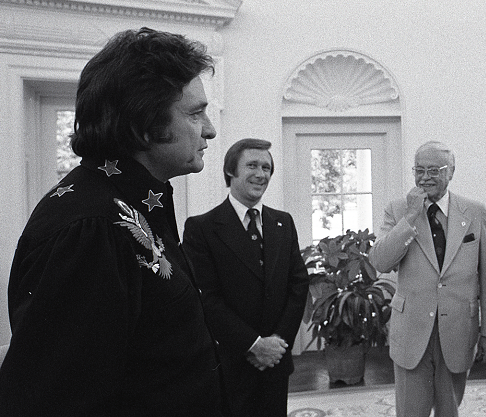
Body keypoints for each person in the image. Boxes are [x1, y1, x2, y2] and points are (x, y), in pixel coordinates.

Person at [0, 28, 225, 415]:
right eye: (194, 112)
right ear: (144, 126)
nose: (210, 129)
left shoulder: (134, 202)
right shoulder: (91, 229)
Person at [182, 138, 309, 417]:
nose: (261, 174)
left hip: (276, 359)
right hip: (231, 362)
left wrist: (276, 343)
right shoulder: (201, 228)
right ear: (231, 171)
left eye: (266, 167)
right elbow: (206, 298)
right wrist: (253, 345)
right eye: (252, 165)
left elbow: (298, 285)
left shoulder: (283, 222)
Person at [370, 140, 486, 417]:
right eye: (419, 170)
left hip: (458, 328)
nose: (425, 178)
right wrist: (411, 217)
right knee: (410, 411)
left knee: (449, 409)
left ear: (451, 171)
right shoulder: (398, 209)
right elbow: (380, 261)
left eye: (433, 170)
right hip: (412, 328)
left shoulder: (475, 211)